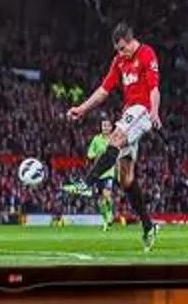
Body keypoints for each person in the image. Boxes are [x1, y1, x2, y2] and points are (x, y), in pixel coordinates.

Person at [66, 20, 163, 248]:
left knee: (115, 138)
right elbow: (103, 91)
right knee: (125, 179)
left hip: (143, 110)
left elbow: (154, 88)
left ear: (131, 41)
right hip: (129, 112)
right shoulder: (119, 61)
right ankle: (149, 226)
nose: (120, 53)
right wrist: (81, 108)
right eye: (117, 50)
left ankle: (87, 183)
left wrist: (155, 111)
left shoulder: (146, 54)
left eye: (122, 48)